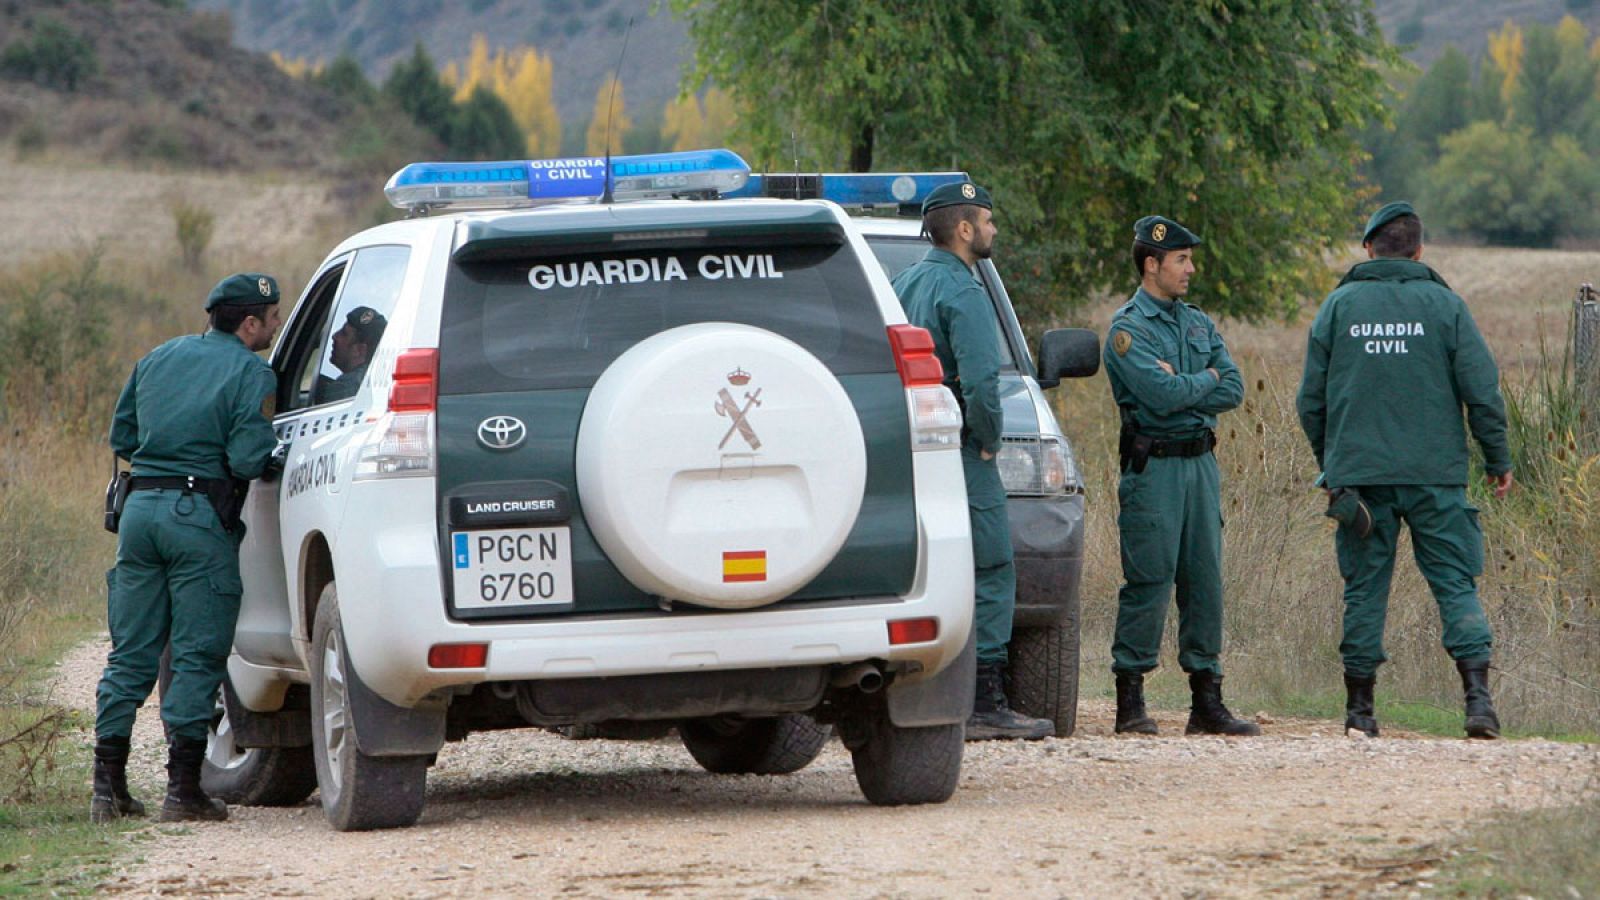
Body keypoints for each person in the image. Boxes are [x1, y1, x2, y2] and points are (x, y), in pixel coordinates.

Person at [1296, 201, 1513, 740]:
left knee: (1364, 589)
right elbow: (1482, 392)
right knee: (1455, 583)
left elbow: (1310, 401)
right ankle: (1479, 703)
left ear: (1369, 248)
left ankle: (1360, 713)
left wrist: (1333, 465)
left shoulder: (1338, 307)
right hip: (1436, 476)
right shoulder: (1447, 306)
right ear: (1419, 252)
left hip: (1361, 480)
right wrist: (1497, 459)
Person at [92, 273, 282, 823]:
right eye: (272, 317)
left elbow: (123, 437)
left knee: (130, 652)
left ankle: (107, 789)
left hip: (139, 514)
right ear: (249, 323)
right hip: (198, 518)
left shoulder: (159, 357)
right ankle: (183, 791)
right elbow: (248, 458)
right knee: (197, 652)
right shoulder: (252, 372)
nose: (276, 326)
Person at [891, 180, 1053, 741]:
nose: (993, 229)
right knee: (990, 565)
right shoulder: (964, 290)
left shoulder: (904, 283)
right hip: (961, 447)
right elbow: (983, 382)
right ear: (964, 229)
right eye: (987, 221)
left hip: (913, 446)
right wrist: (987, 439)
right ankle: (985, 700)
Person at [1103, 215, 1259, 737]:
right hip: (1155, 470)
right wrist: (1202, 382)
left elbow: (1233, 388)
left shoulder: (1197, 322)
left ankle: (1206, 701)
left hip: (1200, 466)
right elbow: (1159, 396)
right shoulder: (1129, 331)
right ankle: (1130, 700)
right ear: (1152, 264)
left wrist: (1194, 380)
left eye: (1190, 259)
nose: (1190, 269)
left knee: (1204, 580)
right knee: (1149, 579)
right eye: (1181, 260)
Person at [316, 305, 387, 403]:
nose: (334, 336)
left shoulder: (344, 388)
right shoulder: (379, 381)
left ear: (360, 350)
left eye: (344, 334)